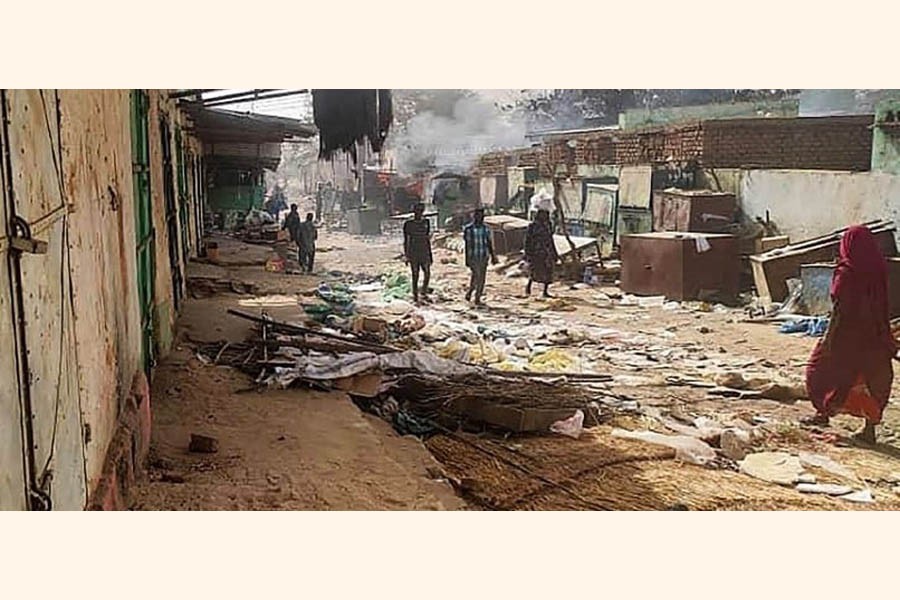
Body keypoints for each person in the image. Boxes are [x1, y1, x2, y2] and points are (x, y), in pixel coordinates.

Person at [804, 225, 897, 445]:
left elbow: (840, 308)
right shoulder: (879, 269)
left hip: (847, 334)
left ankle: (823, 413)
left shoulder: (847, 271)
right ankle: (869, 429)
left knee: (819, 371)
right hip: (875, 334)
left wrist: (829, 338)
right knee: (873, 379)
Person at [463, 207, 497, 305]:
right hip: (473, 256)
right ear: (474, 217)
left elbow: (489, 242)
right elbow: (467, 245)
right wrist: (467, 259)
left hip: (483, 256)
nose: (480, 218)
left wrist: (493, 256)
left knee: (480, 277)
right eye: (478, 216)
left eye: (481, 216)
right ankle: (474, 294)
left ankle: (475, 295)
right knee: (477, 275)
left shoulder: (486, 229)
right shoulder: (468, 229)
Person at [524, 209, 558, 298]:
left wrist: (554, 252)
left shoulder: (548, 225)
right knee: (534, 271)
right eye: (544, 214)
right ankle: (528, 287)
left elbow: (550, 239)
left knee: (548, 271)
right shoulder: (532, 226)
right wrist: (527, 253)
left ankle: (545, 291)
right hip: (536, 252)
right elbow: (527, 240)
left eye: (547, 214)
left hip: (547, 252)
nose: (545, 216)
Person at [403, 202, 432, 303]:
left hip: (424, 251)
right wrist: (407, 255)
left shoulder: (426, 222)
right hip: (413, 252)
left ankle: (423, 291)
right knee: (415, 274)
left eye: (421, 211)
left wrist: (430, 254)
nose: (419, 213)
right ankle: (415, 295)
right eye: (417, 211)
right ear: (414, 212)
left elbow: (427, 238)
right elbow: (406, 240)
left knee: (427, 273)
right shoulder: (409, 224)